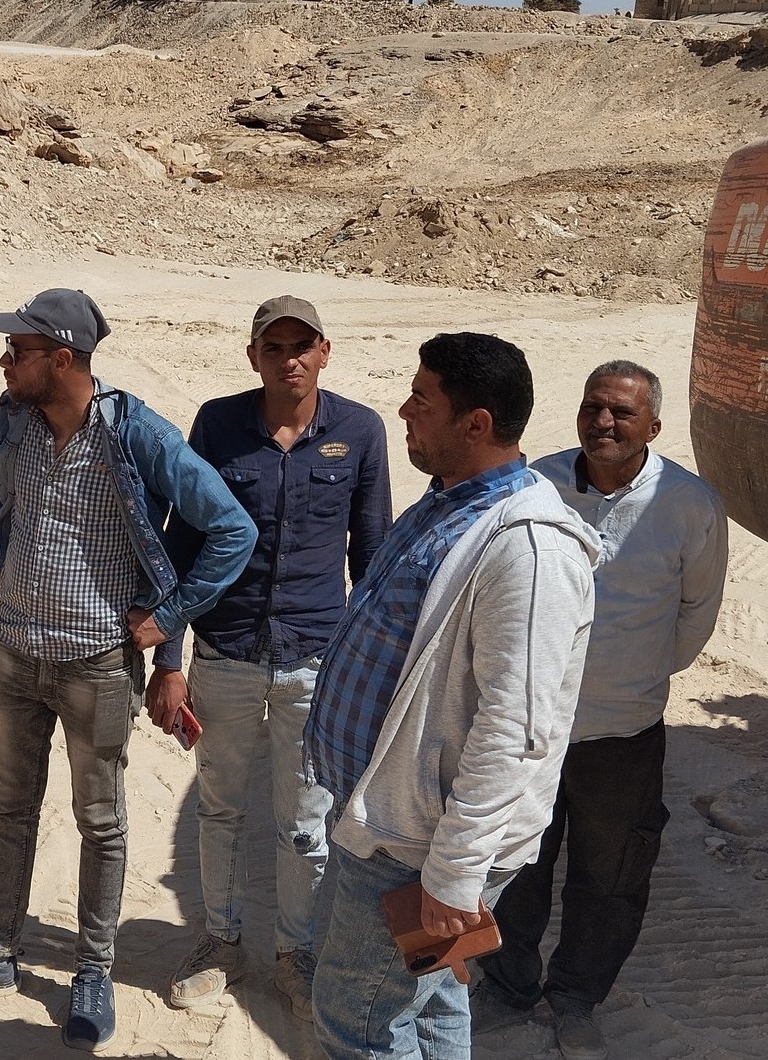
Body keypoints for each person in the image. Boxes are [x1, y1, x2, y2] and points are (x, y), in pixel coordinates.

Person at [0, 288, 258, 1053]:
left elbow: (231, 527)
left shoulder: (135, 432)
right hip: (14, 652)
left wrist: (168, 616)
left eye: (17, 350)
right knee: (9, 804)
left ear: (60, 358)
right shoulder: (14, 417)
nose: (4, 361)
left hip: (97, 662)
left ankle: (92, 971)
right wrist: (2, 568)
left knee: (99, 821)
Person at [303, 332, 600, 1060]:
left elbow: (514, 728)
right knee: (431, 998)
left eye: (421, 398)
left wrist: (453, 872)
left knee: (357, 1020)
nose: (403, 409)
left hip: (420, 844)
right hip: (392, 823)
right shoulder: (449, 502)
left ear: (475, 423)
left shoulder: (529, 551)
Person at [473, 361, 726, 1060]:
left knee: (609, 876)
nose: (603, 422)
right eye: (592, 406)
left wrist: (632, 679)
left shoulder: (688, 503)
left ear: (653, 426)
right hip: (531, 726)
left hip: (622, 733)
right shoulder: (533, 484)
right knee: (516, 861)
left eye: (620, 412)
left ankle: (575, 996)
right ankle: (506, 983)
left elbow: (694, 616)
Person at [149, 296, 392, 1020]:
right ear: (252, 355)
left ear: (324, 351)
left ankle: (296, 954)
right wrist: (167, 659)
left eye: (302, 344)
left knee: (305, 821)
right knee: (220, 807)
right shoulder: (217, 424)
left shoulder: (359, 430)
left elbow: (371, 555)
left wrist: (372, 669)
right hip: (223, 654)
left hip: (315, 662)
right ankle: (220, 943)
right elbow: (181, 543)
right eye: (273, 345)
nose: (288, 358)